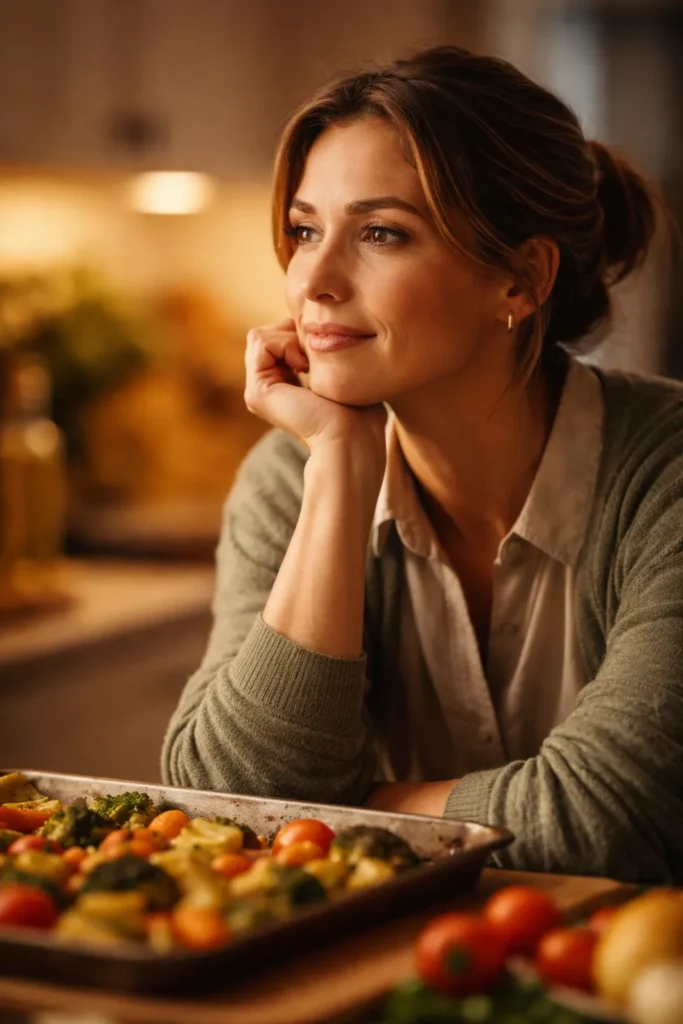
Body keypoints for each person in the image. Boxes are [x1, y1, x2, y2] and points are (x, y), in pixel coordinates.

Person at [162, 46, 683, 884]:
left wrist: (331, 811)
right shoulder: (281, 479)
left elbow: (605, 819)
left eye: (380, 233)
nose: (314, 281)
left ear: (519, 279)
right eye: (304, 230)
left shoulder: (667, 474)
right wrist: (336, 466)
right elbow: (223, 803)